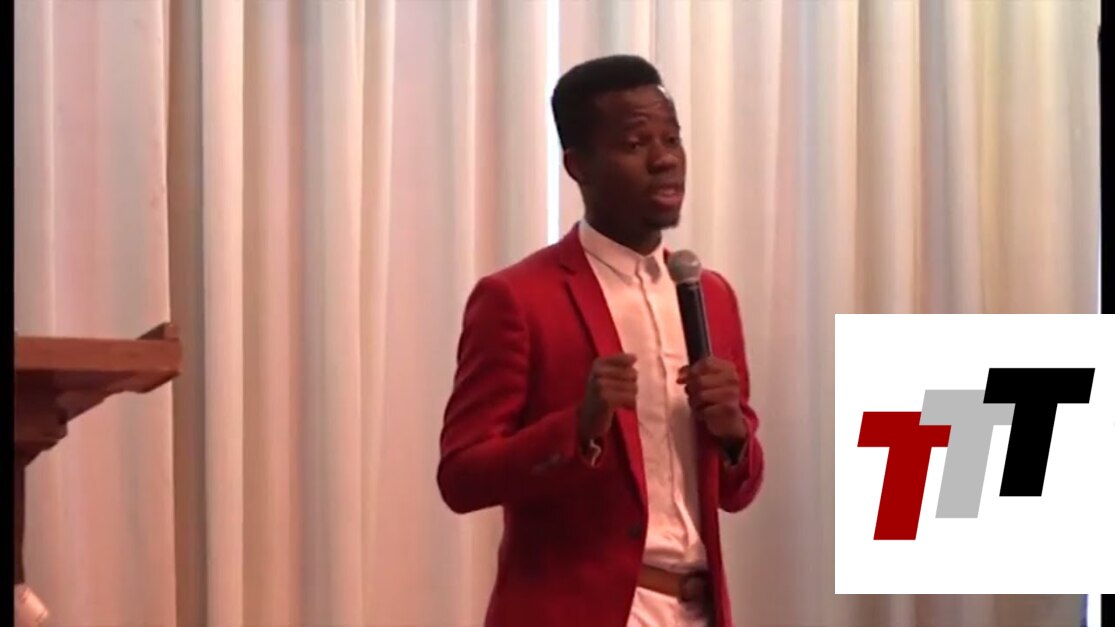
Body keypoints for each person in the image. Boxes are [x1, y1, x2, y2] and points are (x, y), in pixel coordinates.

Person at [437, 54, 765, 627]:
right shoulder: (517, 298)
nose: (665, 159)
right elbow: (462, 477)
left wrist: (735, 435)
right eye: (636, 143)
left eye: (672, 139)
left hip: (698, 609)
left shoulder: (710, 295)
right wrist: (579, 427)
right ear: (577, 166)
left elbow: (736, 492)